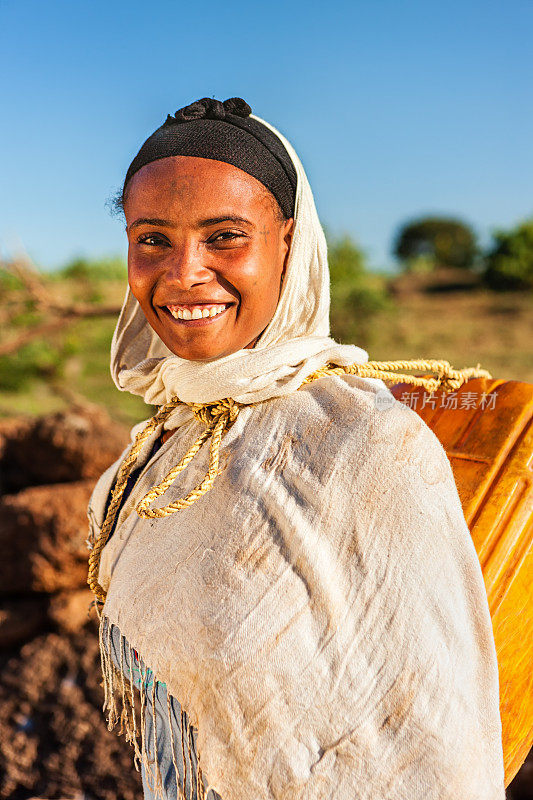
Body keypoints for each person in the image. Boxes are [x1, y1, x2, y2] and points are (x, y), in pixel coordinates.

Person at [86, 97, 506, 800]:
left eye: (224, 237)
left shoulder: (366, 447)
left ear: (288, 241)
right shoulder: (160, 451)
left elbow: (435, 745)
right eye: (152, 239)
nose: (184, 272)